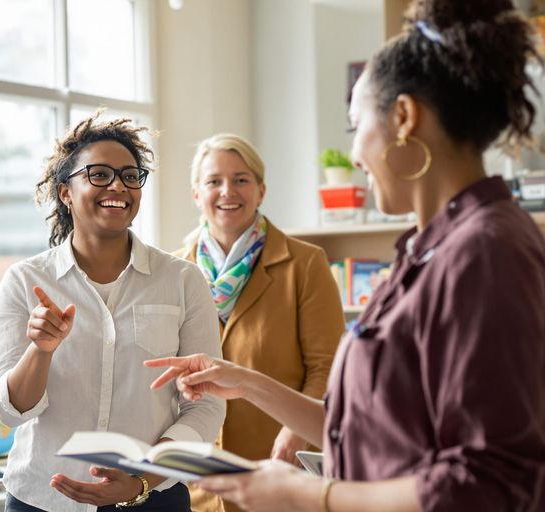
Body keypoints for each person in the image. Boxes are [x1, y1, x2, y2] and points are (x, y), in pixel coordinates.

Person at [146, 1, 545, 511]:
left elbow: (489, 482)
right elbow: (364, 428)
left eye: (357, 127)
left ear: (403, 117)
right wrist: (244, 381)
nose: (355, 156)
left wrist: (316, 496)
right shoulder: (431, 249)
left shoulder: (484, 253)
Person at [0, 112, 225, 512]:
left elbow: (205, 404)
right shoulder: (25, 280)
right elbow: (10, 410)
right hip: (42, 500)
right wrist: (41, 350)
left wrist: (141, 480)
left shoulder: (183, 281)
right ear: (65, 192)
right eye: (98, 174)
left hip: (154, 500)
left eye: (131, 176)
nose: (118, 185)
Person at [172, 134, 344, 512]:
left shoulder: (306, 263)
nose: (227, 191)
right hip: (197, 485)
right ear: (196, 194)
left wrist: (294, 435)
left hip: (281, 473)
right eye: (213, 181)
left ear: (261, 190)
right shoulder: (174, 272)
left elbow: (328, 367)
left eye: (241, 179)